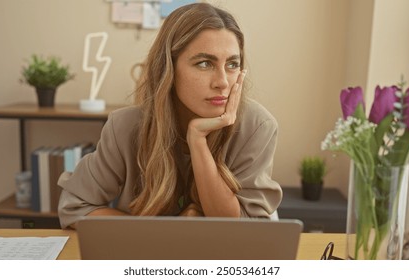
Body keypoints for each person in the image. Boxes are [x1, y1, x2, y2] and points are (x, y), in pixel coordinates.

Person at [57, 2, 282, 229]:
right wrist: (166, 230)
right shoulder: (125, 126)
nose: (222, 82)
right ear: (169, 68)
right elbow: (75, 207)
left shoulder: (257, 126)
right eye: (205, 63)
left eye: (232, 64)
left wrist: (197, 140)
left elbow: (246, 231)